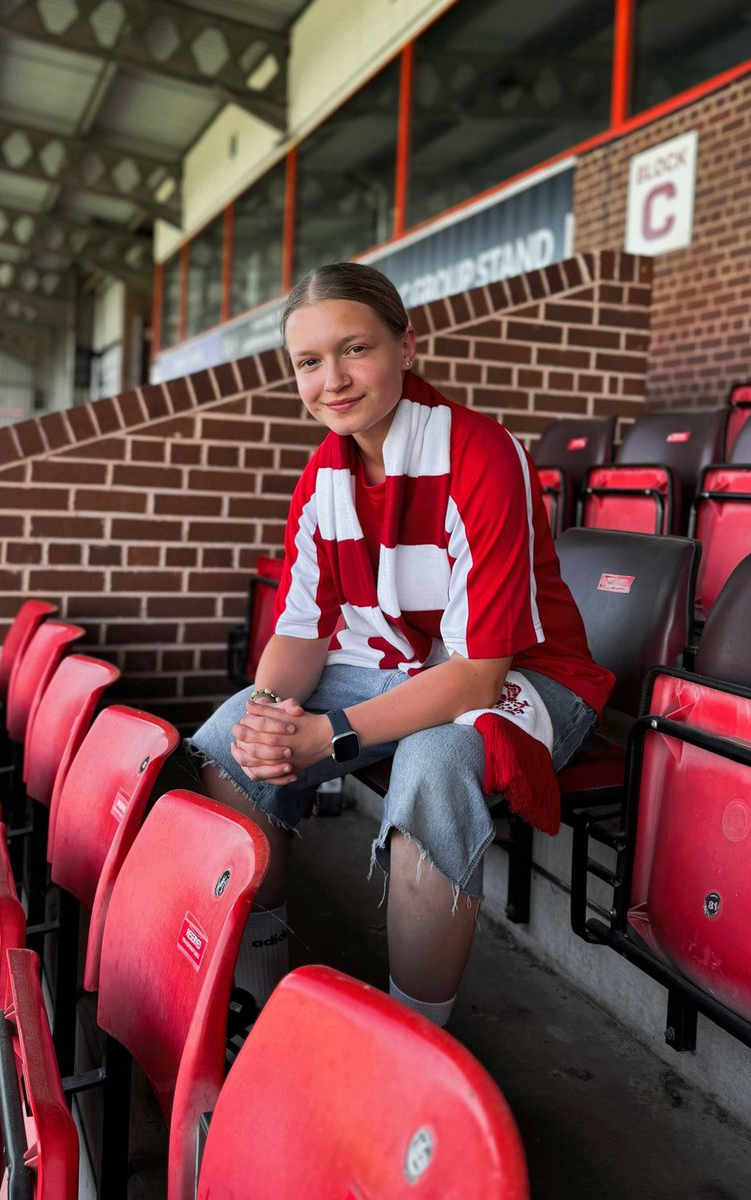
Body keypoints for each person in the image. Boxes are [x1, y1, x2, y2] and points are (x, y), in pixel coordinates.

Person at [188, 261, 613, 1027]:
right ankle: (255, 992)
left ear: (407, 347)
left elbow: (481, 675)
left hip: (530, 675)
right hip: (402, 667)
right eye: (310, 362)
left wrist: (329, 735)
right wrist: (267, 717)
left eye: (356, 349)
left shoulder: (482, 453)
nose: (334, 379)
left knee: (432, 763)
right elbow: (298, 632)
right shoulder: (322, 476)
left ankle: (413, 1037)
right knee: (229, 740)